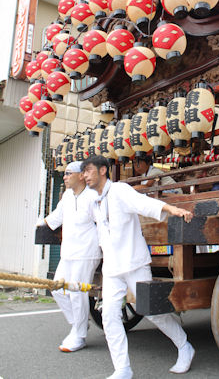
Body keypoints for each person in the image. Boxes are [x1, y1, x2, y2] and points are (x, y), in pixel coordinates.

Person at [81, 155, 195, 379]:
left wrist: (172, 210)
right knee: (109, 316)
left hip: (134, 262)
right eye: (83, 172)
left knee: (152, 313)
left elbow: (145, 204)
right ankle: (122, 369)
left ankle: (184, 347)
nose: (85, 175)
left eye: (88, 170)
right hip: (112, 268)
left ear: (103, 170)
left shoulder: (120, 191)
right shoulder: (94, 200)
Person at [37, 161, 102, 353]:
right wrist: (39, 225)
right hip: (68, 252)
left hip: (86, 252)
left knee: (76, 292)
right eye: (64, 174)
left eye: (68, 173)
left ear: (81, 175)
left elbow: (103, 222)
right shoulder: (66, 196)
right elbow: (55, 218)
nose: (64, 177)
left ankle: (79, 335)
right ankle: (78, 324)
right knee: (56, 288)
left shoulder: (92, 196)